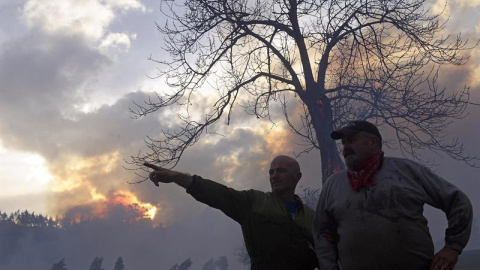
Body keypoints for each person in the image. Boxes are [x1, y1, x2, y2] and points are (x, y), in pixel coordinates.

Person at [313, 120, 473, 270]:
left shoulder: (406, 170)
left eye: (352, 140)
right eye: (344, 142)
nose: (346, 147)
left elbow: (457, 201)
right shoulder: (333, 184)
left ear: (373, 142)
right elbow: (322, 232)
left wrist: (453, 247)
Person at [145, 155, 319, 270]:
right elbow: (216, 192)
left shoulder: (313, 217)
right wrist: (176, 177)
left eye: (281, 171)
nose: (274, 176)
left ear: (298, 177)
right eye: (271, 172)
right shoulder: (254, 201)